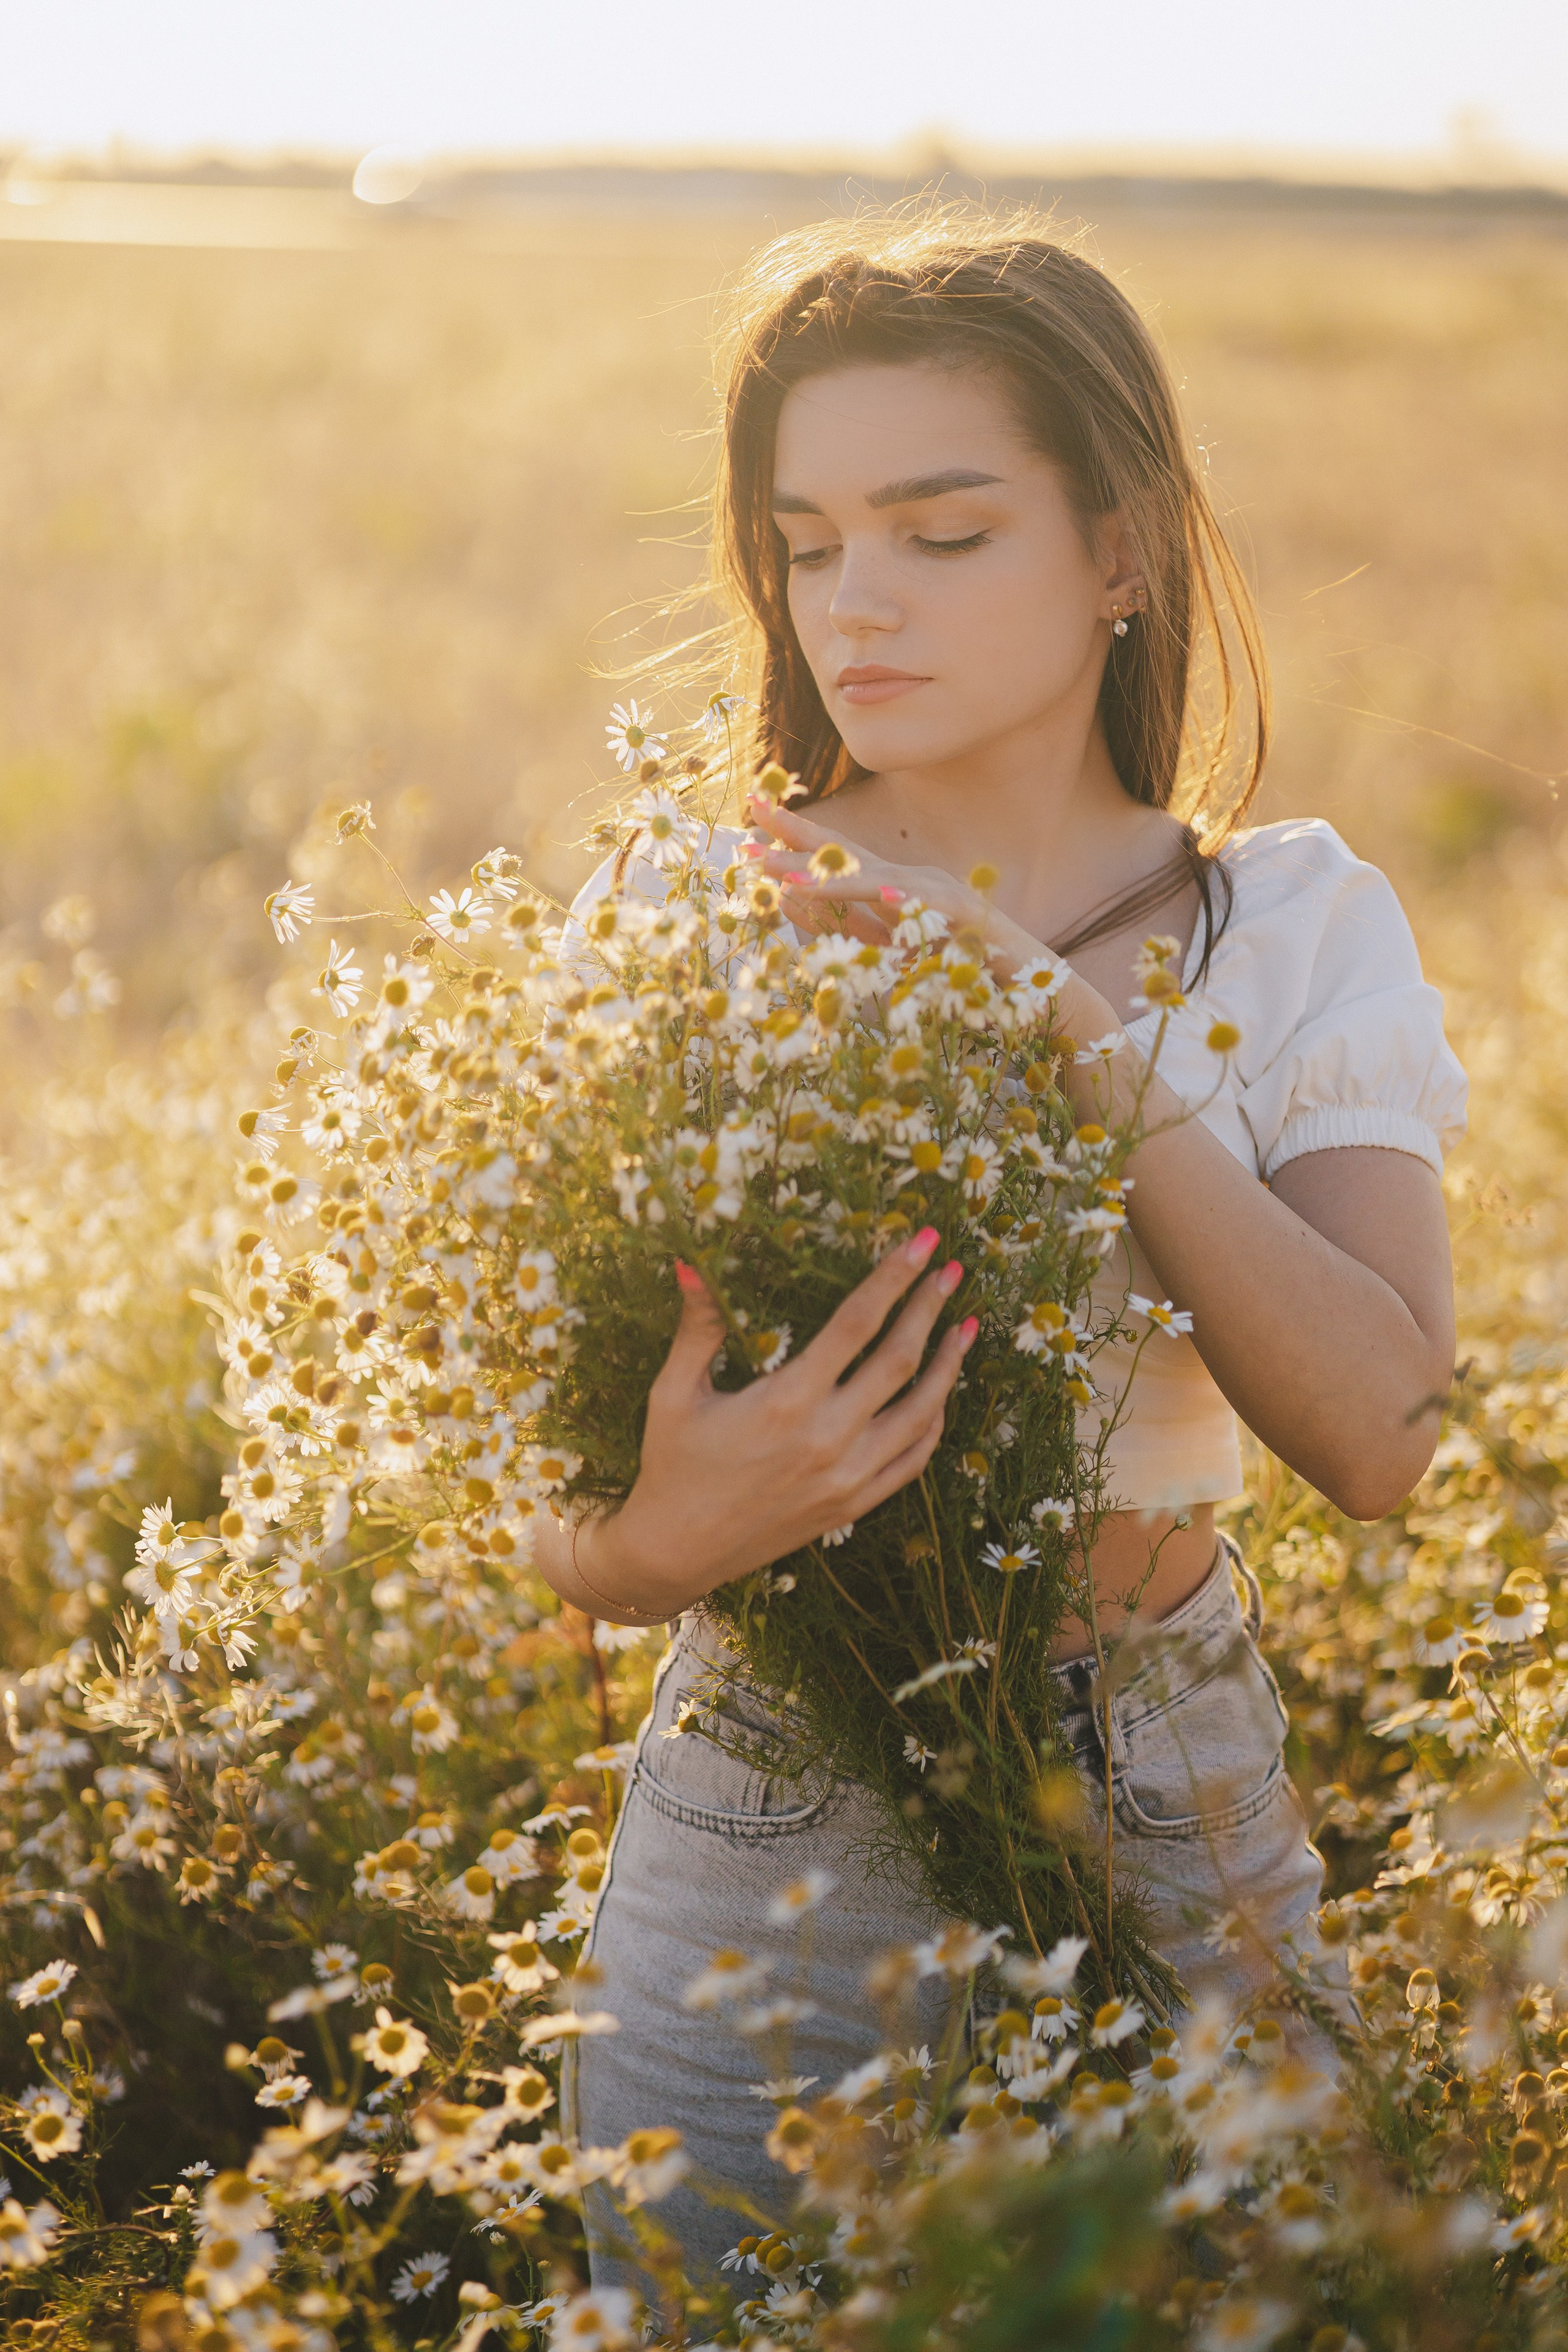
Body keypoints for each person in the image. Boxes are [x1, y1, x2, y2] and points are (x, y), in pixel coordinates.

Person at [530, 211, 1467, 2286]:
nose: (858, 602)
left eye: (944, 534)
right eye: (807, 541)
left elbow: (1390, 1431)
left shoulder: (1297, 926)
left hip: (1171, 1789)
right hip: (767, 1805)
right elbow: (547, 1524)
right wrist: (663, 1539)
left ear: (1121, 549)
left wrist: (1065, 1037)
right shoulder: (683, 917)